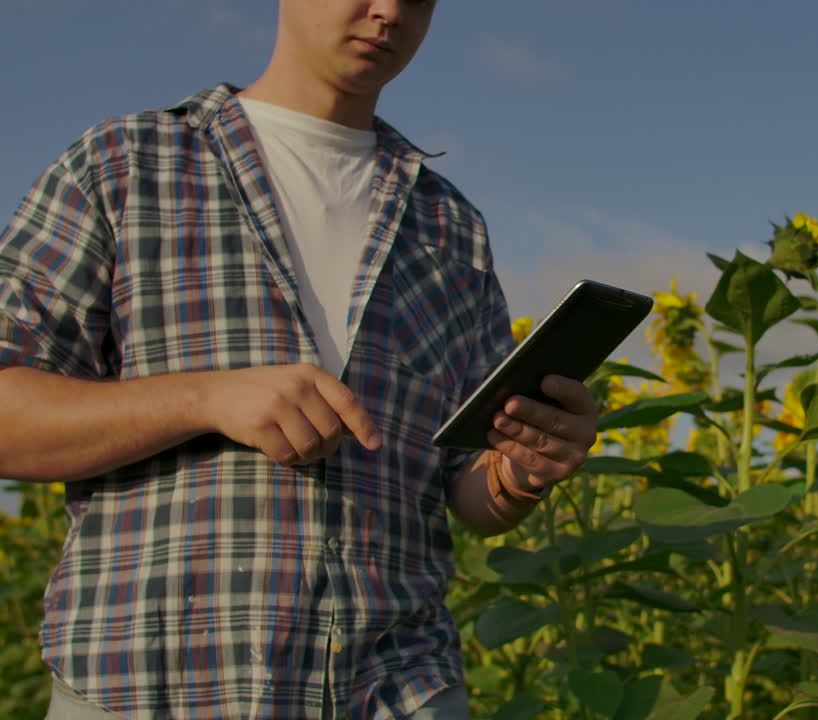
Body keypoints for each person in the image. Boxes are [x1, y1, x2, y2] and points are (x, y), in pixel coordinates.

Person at [0, 1, 598, 718]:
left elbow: (464, 490)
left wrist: (521, 472)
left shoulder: (450, 224)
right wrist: (203, 399)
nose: (390, 11)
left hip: (398, 690)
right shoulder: (127, 165)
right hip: (151, 687)